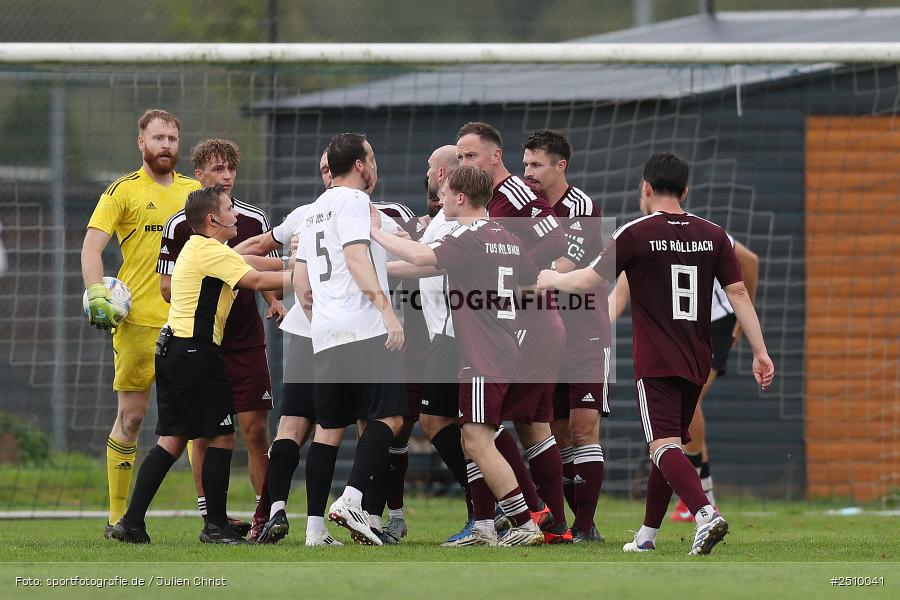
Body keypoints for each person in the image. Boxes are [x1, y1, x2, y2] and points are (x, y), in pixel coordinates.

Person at [536, 153, 774, 555]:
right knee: (669, 447)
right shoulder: (713, 234)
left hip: (658, 359)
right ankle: (647, 535)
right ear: (685, 191)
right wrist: (760, 352)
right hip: (698, 356)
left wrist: (550, 278)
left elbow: (588, 280)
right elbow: (738, 294)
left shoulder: (635, 233)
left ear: (645, 189)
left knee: (663, 446)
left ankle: (704, 513)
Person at [372, 165, 545, 547]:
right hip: (498, 345)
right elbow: (531, 284)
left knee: (479, 440)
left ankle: (522, 521)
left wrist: (374, 233)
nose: (440, 198)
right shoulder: (506, 236)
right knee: (472, 438)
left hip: (484, 351)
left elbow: (420, 257)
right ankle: (484, 526)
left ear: (461, 198)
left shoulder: (471, 236)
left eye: (446, 192)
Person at [110, 184, 290, 544]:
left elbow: (256, 260)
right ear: (212, 219)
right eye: (228, 208)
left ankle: (130, 522)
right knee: (222, 436)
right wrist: (311, 277)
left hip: (174, 351)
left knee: (173, 440)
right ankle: (215, 526)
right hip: (195, 353)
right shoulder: (209, 250)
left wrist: (301, 263)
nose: (236, 213)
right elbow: (254, 279)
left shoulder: (206, 248)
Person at [157, 139, 286, 539]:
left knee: (254, 430)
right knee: (205, 432)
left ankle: (264, 518)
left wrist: (275, 301)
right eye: (216, 169)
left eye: (230, 167)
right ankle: (212, 515)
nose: (226, 175)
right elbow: (167, 286)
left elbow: (256, 266)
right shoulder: (183, 225)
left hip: (245, 339)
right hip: (200, 343)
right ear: (200, 176)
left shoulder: (250, 218)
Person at [80, 109, 200, 538]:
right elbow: (92, 247)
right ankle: (117, 518)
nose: (166, 145)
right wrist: (96, 293)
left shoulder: (194, 191)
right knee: (131, 419)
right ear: (141, 142)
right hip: (136, 325)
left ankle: (212, 519)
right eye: (158, 138)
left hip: (186, 324)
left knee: (198, 425)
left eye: (171, 138)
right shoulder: (122, 191)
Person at [293, 133, 407, 547]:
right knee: (391, 416)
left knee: (329, 429)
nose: (374, 165)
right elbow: (357, 257)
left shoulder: (316, 207)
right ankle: (353, 500)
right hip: (362, 326)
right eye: (372, 157)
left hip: (325, 332)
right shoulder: (356, 201)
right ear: (360, 164)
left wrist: (319, 313)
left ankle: (314, 530)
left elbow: (300, 277)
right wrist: (387, 311)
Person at [456, 122, 569, 542]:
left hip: (529, 323)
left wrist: (516, 276)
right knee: (531, 425)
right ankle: (552, 523)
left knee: (483, 424)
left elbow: (557, 237)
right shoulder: (482, 203)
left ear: (494, 156)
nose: (465, 163)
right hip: (513, 325)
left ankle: (523, 516)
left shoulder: (517, 194)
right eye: (461, 157)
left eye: (471, 156)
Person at [609, 237, 759, 522]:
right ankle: (696, 498)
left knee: (686, 408)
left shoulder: (702, 232)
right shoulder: (641, 238)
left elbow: (750, 261)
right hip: (677, 329)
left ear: (648, 190)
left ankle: (701, 498)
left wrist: (743, 312)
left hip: (714, 322)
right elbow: (618, 295)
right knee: (676, 418)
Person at [236, 149, 343, 546]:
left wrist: (221, 258)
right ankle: (318, 528)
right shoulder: (361, 213)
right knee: (333, 428)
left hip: (300, 330)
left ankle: (276, 509)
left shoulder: (304, 214)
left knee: (291, 424)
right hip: (339, 333)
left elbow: (259, 246)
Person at [523, 129, 610, 543]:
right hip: (546, 335)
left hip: (585, 334)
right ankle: (568, 524)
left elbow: (560, 266)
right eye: (525, 165)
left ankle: (586, 525)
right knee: (555, 434)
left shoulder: (581, 207)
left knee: (583, 429)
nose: (528, 173)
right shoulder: (526, 206)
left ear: (561, 166)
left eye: (536, 165)